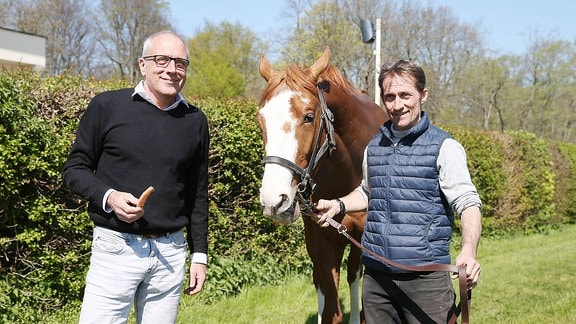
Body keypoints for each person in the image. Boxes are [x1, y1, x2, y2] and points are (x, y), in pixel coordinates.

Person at [312, 59, 482, 323]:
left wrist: (469, 251)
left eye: (406, 95)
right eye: (390, 97)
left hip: (427, 281)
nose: (397, 105)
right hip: (377, 279)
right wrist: (339, 205)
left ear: (423, 95)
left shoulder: (445, 147)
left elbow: (468, 202)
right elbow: (368, 192)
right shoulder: (375, 146)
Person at [62, 30, 209, 323]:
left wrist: (199, 255)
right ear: (143, 64)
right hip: (116, 247)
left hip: (171, 252)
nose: (171, 69)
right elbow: (74, 169)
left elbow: (197, 192)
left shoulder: (195, 120)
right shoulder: (107, 106)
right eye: (162, 59)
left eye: (180, 63)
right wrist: (109, 197)